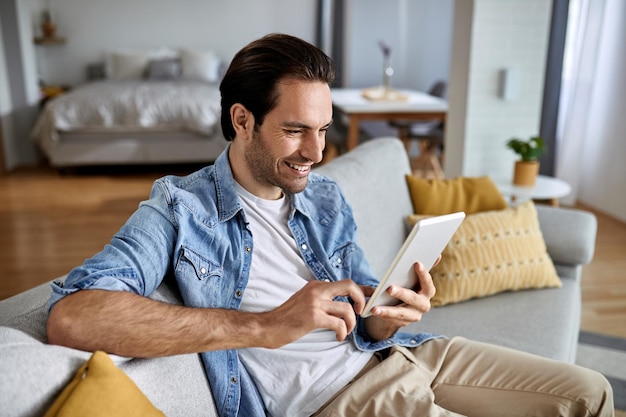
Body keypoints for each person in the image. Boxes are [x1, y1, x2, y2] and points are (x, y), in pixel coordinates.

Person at [47, 33, 614, 417]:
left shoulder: (324, 198)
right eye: (296, 129)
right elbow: (74, 316)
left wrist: (391, 313)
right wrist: (265, 327)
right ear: (242, 120)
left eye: (323, 129)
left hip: (405, 354)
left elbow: (366, 321)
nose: (315, 151)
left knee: (590, 392)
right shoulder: (178, 208)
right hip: (344, 399)